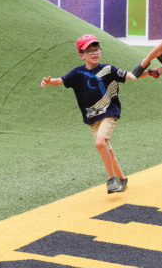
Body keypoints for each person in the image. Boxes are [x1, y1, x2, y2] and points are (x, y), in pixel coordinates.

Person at [41, 34, 155, 193]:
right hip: (92, 117)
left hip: (109, 111)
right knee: (107, 150)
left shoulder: (108, 69)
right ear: (81, 55)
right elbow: (60, 81)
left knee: (100, 143)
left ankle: (111, 179)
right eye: (89, 51)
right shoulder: (76, 73)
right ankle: (122, 178)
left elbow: (131, 76)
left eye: (96, 49)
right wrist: (49, 81)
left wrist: (149, 73)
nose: (94, 53)